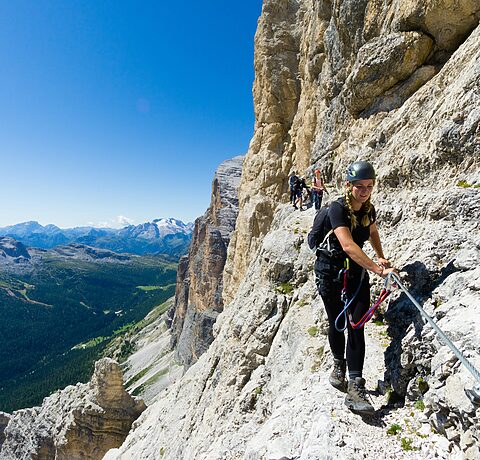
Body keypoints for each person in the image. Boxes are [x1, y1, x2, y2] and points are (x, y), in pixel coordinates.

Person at [308, 160, 397, 414]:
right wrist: (379, 270)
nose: (365, 191)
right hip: (330, 273)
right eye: (359, 186)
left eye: (369, 186)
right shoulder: (337, 209)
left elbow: (372, 232)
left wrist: (380, 255)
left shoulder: (368, 209)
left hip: (355, 273)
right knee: (337, 321)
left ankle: (355, 386)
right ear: (349, 185)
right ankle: (339, 365)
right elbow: (347, 245)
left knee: (356, 325)